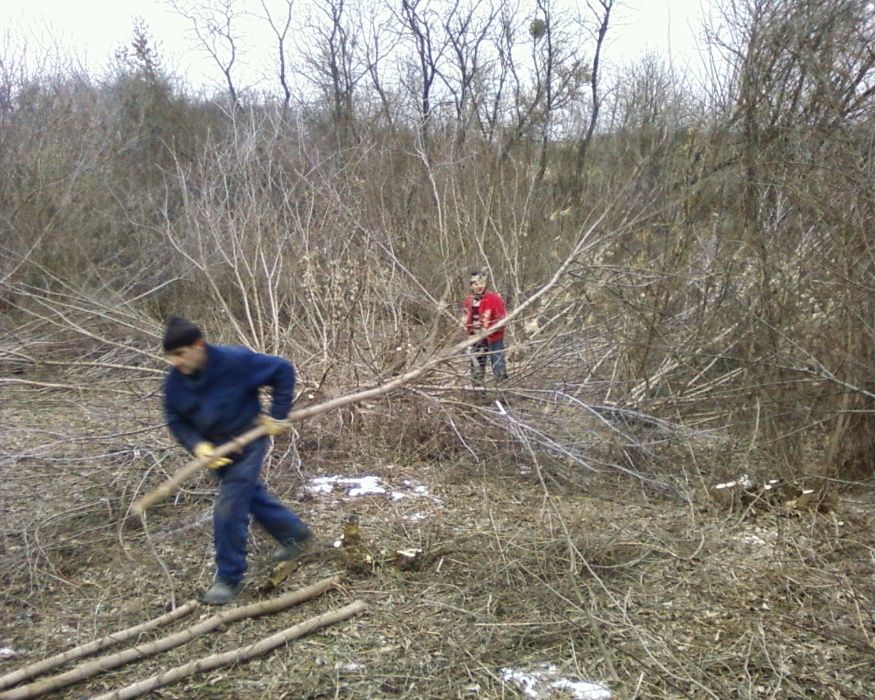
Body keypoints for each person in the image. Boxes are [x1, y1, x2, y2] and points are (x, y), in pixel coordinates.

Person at [162, 317, 311, 605]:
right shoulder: (174, 383)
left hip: (249, 439)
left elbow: (282, 369)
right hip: (216, 450)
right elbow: (176, 420)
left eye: (180, 354)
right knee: (248, 496)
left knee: (229, 506)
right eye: (169, 355)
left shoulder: (235, 362)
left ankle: (228, 578)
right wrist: (198, 446)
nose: (174, 362)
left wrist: (279, 414)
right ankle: (295, 534)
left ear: (198, 346)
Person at [462, 269, 509, 383]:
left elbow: (501, 319)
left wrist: (489, 330)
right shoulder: (468, 300)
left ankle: (503, 395)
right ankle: (479, 396)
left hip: (494, 338)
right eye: (476, 284)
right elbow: (466, 318)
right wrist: (468, 331)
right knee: (477, 369)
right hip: (476, 340)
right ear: (471, 285)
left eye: (482, 283)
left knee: (498, 367)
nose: (479, 286)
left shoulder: (494, 298)